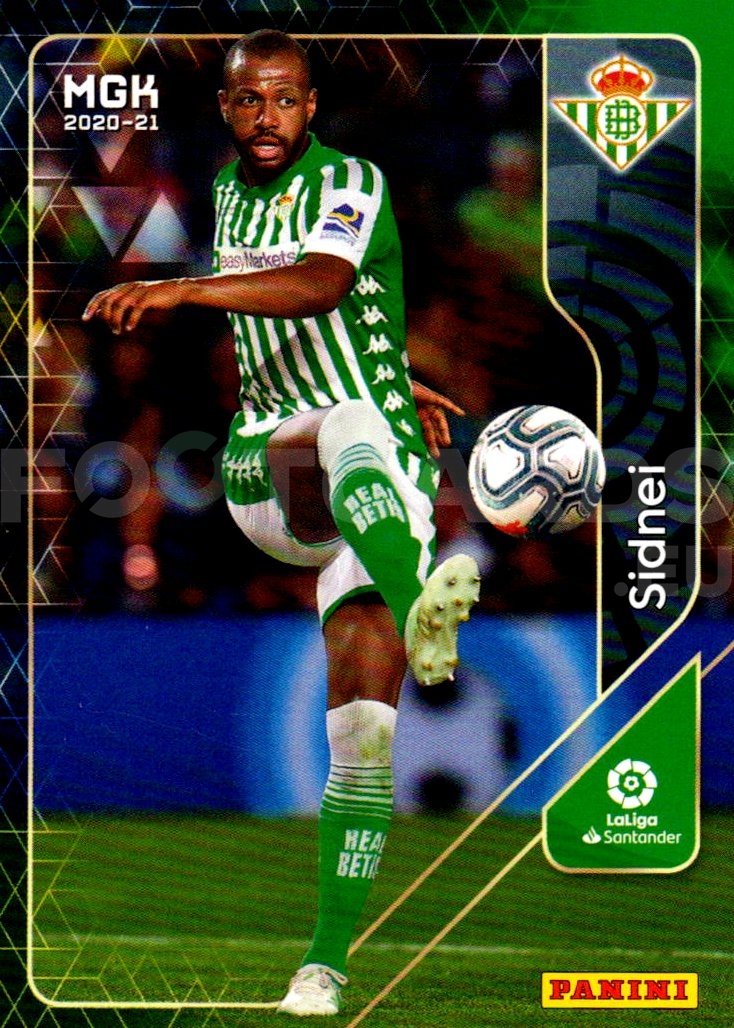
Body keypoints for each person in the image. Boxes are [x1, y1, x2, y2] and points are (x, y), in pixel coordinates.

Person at [83, 29, 480, 1017]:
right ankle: (419, 600)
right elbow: (291, 317)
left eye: (285, 99)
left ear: (311, 105)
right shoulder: (226, 191)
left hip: (381, 478)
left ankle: (323, 965)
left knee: (364, 733)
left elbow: (327, 283)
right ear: (225, 107)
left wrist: (181, 286)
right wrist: (381, 375)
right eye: (249, 99)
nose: (267, 117)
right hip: (273, 468)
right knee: (344, 422)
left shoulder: (350, 182)